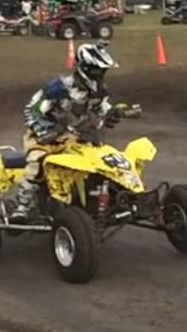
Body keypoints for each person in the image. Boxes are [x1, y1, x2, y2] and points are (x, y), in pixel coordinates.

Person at [13, 41, 130, 222]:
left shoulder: (99, 91)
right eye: (97, 71)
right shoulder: (59, 88)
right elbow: (32, 109)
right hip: (44, 138)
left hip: (73, 136)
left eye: (102, 72)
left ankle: (103, 198)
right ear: (84, 68)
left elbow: (101, 109)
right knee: (37, 163)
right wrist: (44, 130)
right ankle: (21, 208)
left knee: (98, 159)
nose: (100, 75)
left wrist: (116, 111)